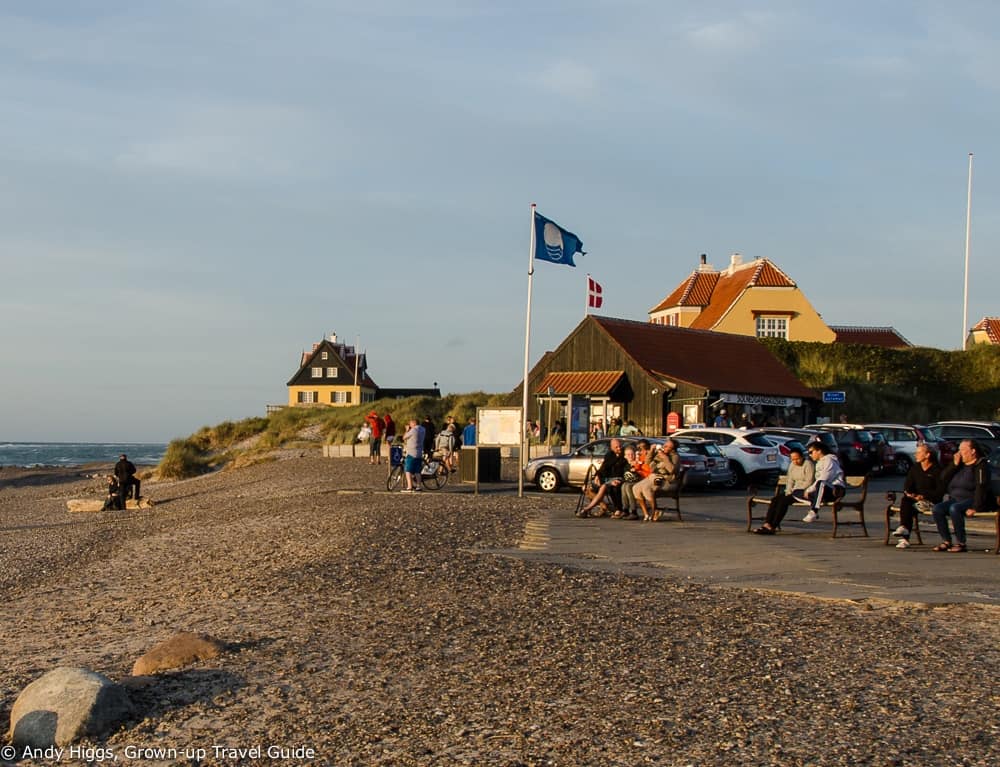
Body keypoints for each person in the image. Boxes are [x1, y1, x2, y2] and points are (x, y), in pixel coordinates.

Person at [931, 439, 995, 553]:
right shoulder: (959, 465)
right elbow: (943, 477)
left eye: (963, 450)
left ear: (973, 451)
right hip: (956, 499)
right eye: (959, 450)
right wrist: (954, 465)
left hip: (972, 499)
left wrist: (975, 507)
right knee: (937, 509)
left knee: (954, 509)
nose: (959, 453)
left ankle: (961, 542)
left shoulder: (980, 466)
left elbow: (982, 487)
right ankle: (946, 540)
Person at [753, 446, 815, 534]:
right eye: (793, 459)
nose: (795, 461)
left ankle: (773, 526)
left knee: (783, 502)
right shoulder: (792, 465)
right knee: (775, 500)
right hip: (793, 491)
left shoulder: (808, 464)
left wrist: (795, 490)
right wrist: (789, 490)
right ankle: (767, 524)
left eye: (797, 459)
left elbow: (809, 481)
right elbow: (790, 480)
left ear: (802, 457)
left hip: (803, 492)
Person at [891, 443, 943, 549]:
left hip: (931, 501)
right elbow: (908, 485)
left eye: (919, 452)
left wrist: (924, 496)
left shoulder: (937, 470)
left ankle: (904, 537)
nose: (916, 455)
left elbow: (939, 491)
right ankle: (904, 530)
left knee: (910, 507)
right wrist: (911, 494)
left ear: (927, 455)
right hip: (915, 499)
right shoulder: (915, 468)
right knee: (906, 500)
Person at [577, 438, 629, 518]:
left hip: (616, 478)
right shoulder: (609, 455)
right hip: (606, 478)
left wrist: (618, 457)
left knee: (603, 487)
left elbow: (620, 472)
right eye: (616, 447)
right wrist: (598, 475)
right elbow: (604, 467)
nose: (619, 449)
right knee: (586, 487)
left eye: (619, 447)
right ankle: (603, 506)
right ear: (612, 447)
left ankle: (587, 509)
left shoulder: (623, 457)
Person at [635, 438, 680, 522]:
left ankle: (655, 511)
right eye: (664, 445)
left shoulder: (675, 457)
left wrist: (665, 458)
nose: (664, 447)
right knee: (636, 488)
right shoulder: (659, 453)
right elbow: (647, 462)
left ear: (672, 449)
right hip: (655, 477)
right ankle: (646, 514)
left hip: (667, 481)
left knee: (646, 488)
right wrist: (652, 451)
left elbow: (672, 470)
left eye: (667, 446)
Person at [802, 441, 845, 523]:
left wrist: (809, 489)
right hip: (823, 490)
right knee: (797, 492)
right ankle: (817, 501)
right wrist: (808, 490)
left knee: (820, 483)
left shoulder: (829, 460)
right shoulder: (818, 463)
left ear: (819, 451)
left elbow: (824, 477)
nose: (810, 455)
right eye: (808, 453)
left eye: (811, 452)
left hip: (836, 490)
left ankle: (814, 511)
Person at [618, 440, 652, 520]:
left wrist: (636, 467)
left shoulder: (638, 462)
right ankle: (625, 509)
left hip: (640, 481)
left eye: (632, 454)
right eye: (628, 454)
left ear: (635, 454)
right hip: (631, 482)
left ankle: (633, 511)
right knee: (624, 486)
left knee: (629, 486)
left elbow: (641, 472)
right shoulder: (625, 465)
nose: (630, 456)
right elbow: (625, 477)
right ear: (625, 456)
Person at [402, 418, 425, 493]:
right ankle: (419, 486)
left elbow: (404, 437)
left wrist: (407, 430)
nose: (410, 425)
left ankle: (409, 486)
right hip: (419, 452)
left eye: (410, 423)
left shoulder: (413, 430)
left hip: (411, 452)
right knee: (417, 471)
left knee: (407, 470)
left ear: (414, 423)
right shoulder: (423, 429)